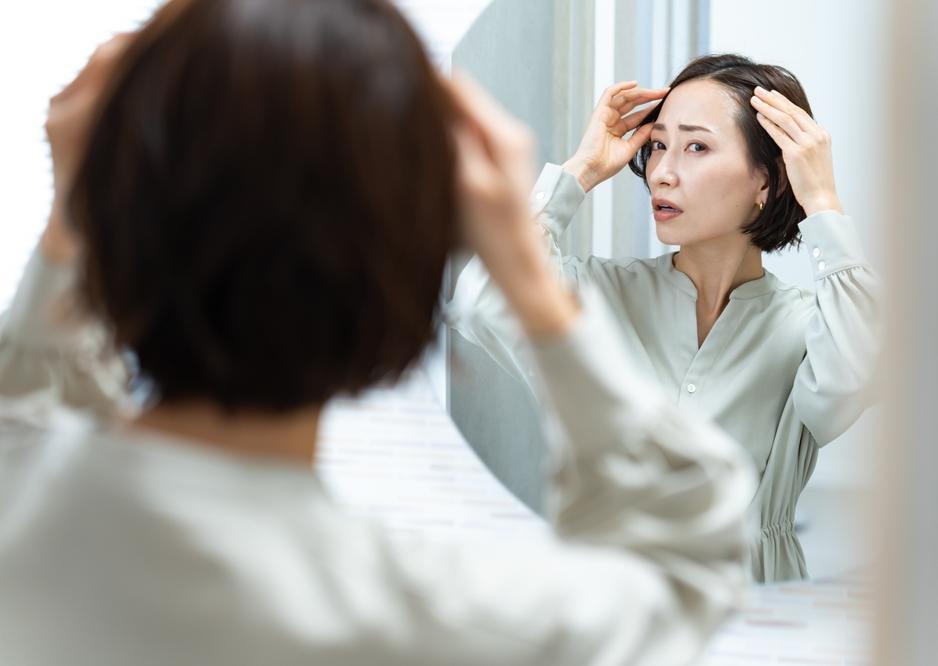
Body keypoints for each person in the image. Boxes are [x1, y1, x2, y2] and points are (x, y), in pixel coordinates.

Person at [0, 2, 754, 664]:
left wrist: (77, 209)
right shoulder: (441, 622)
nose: (662, 170)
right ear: (414, 267)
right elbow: (683, 556)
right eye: (663, 146)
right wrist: (522, 263)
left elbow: (22, 398)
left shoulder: (19, 508)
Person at [450, 54, 882, 583]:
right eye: (657, 146)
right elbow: (480, 297)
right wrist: (579, 172)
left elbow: (858, 376)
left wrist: (822, 201)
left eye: (697, 146)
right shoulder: (597, 296)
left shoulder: (805, 328)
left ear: (766, 182)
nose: (663, 173)